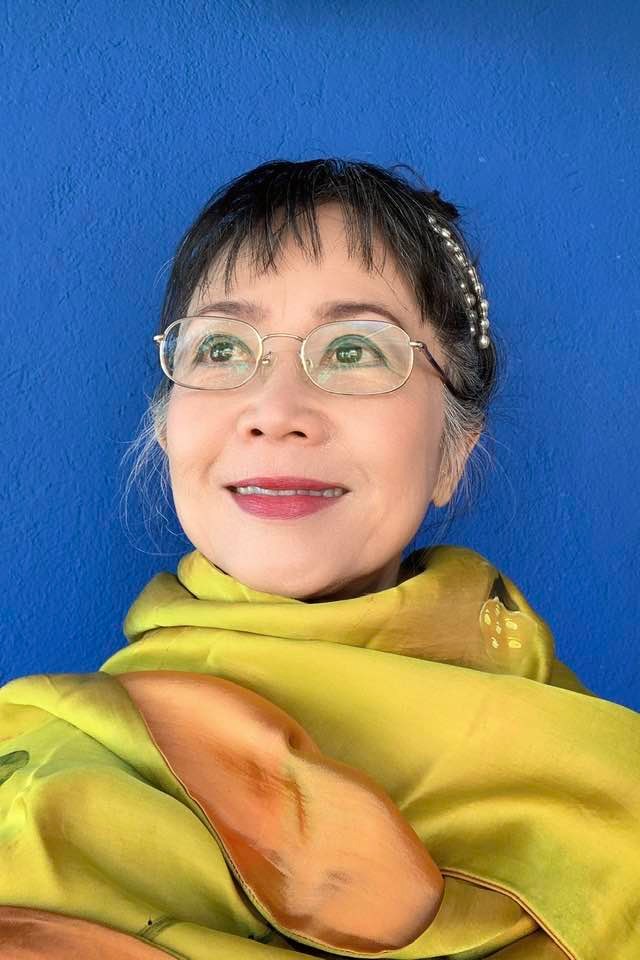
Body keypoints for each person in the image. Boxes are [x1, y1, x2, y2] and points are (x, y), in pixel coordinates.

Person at [0, 158, 638, 959]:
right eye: (222, 348)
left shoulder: (591, 758)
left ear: (455, 451)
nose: (275, 411)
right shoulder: (43, 793)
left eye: (353, 351)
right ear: (167, 431)